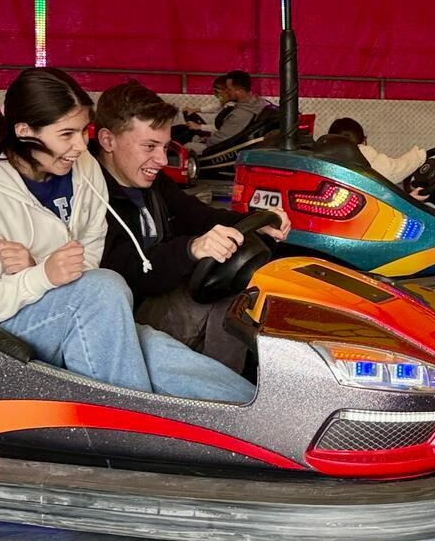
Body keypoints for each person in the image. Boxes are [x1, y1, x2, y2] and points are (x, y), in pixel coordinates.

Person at [0, 67, 255, 404]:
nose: (80, 145)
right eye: (67, 134)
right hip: (2, 333)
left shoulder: (82, 169)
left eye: (81, 131)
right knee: (103, 287)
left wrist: (42, 269)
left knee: (163, 357)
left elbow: (89, 253)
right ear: (25, 131)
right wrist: (41, 276)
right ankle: (134, 433)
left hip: (76, 303)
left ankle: (267, 426)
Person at [92, 81, 291, 373]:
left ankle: (243, 381)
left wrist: (254, 222)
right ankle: (224, 394)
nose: (161, 160)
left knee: (253, 286)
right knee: (228, 299)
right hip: (126, 318)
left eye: (164, 147)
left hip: (163, 297)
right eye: (149, 146)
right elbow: (122, 270)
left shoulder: (154, 184)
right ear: (108, 141)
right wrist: (190, 250)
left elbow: (201, 216)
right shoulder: (90, 194)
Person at [325, 117, 428, 189]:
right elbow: (392, 171)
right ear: (363, 140)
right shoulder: (363, 153)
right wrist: (419, 156)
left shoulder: (325, 158)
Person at [192, 71, 273, 156]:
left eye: (229, 89)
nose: (226, 91)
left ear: (240, 92)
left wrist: (204, 139)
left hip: (225, 151)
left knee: (188, 146)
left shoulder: (240, 114)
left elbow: (220, 139)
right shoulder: (259, 102)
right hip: (237, 144)